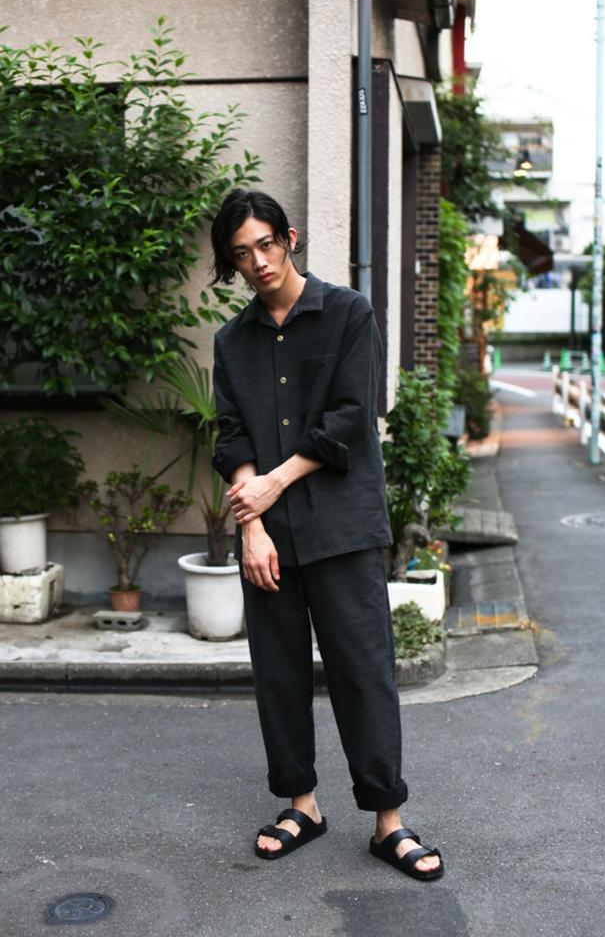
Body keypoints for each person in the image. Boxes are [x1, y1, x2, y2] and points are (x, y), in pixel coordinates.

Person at [210, 188, 443, 881]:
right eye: (242, 253)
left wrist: (272, 485)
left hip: (342, 527)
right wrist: (253, 527)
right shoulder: (232, 341)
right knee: (278, 674)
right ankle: (302, 807)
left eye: (266, 244)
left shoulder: (348, 313)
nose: (258, 262)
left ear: (290, 238)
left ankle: (389, 823)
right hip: (270, 537)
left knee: (363, 674)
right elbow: (232, 436)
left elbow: (349, 420)